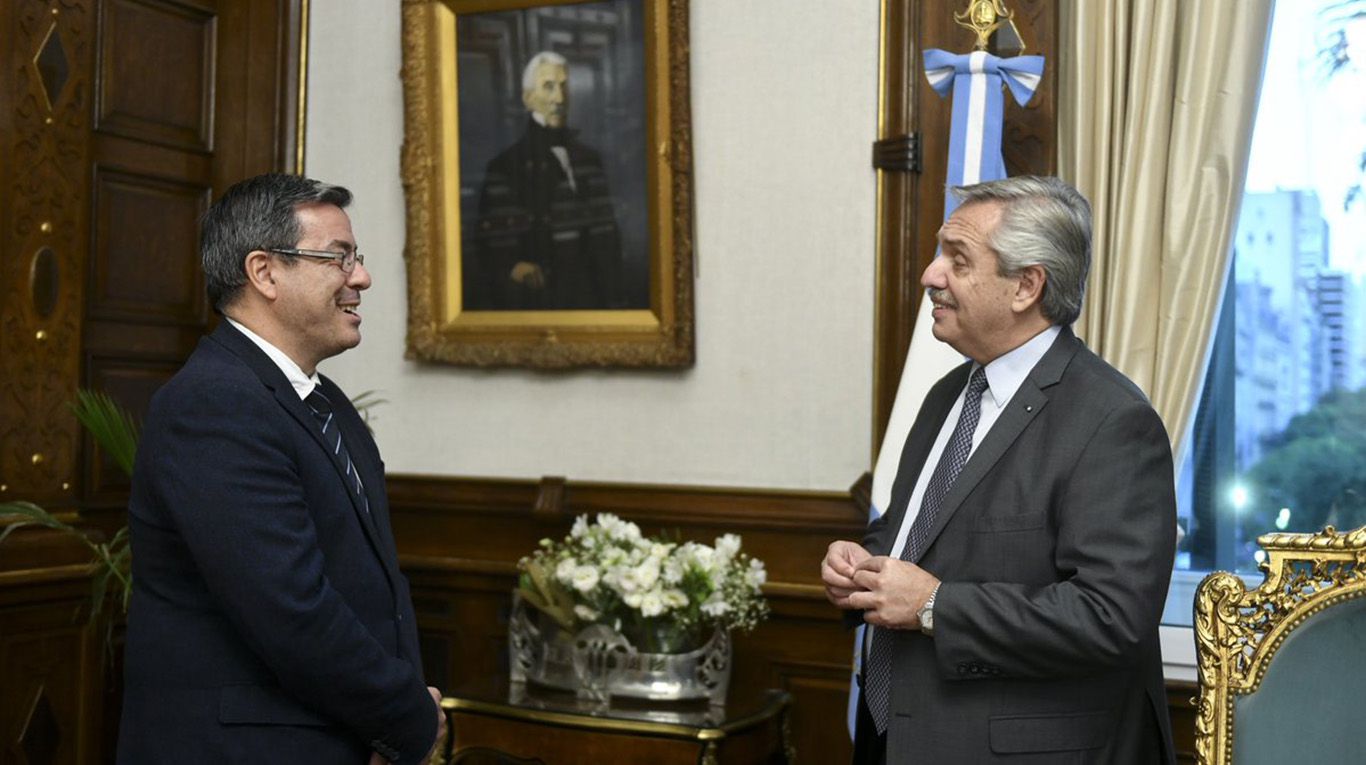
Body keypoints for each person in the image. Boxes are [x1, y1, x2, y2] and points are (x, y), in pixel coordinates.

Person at [822, 176, 1177, 764]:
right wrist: (860, 567)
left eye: (957, 260)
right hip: (897, 737)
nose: (930, 276)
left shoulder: (1112, 420)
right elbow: (917, 538)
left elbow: (1112, 619)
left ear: (1026, 285)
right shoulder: (946, 396)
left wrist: (936, 606)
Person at [117, 174, 444, 764]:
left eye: (358, 258)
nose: (361, 278)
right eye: (338, 259)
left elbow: (371, 590)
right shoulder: (213, 403)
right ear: (264, 272)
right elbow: (291, 610)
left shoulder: (323, 402)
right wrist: (408, 718)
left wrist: (387, 729)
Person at [465, 50, 626, 310]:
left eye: (563, 86)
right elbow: (489, 249)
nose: (559, 98)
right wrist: (514, 267)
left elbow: (608, 237)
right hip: (542, 304)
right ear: (528, 98)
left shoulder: (591, 160)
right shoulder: (505, 167)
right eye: (548, 87)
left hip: (596, 301)